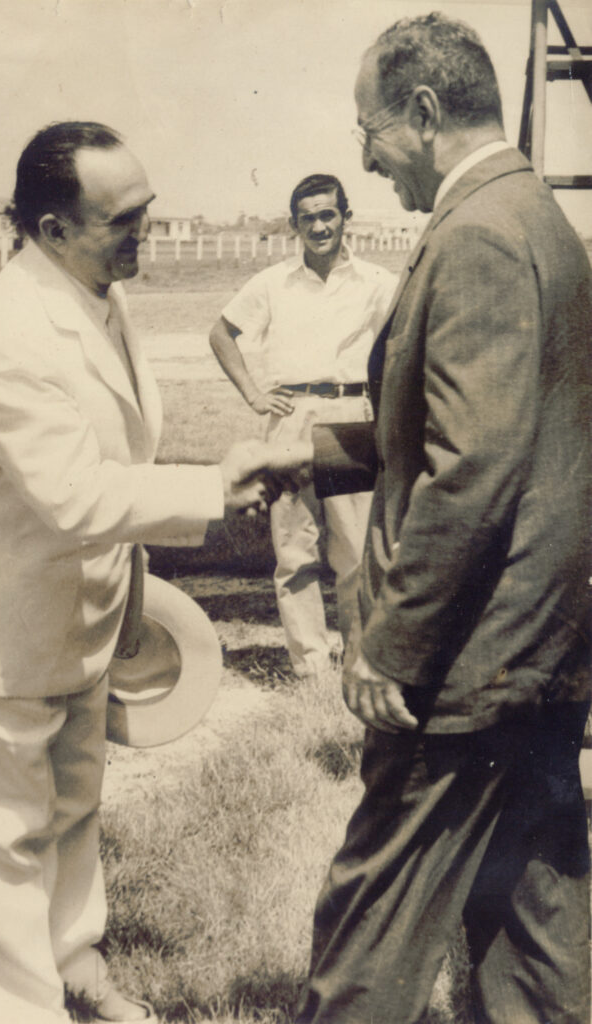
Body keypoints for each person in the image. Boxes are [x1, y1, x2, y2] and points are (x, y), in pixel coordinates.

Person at [284, 14, 592, 1024]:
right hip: (535, 649)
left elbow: (470, 472)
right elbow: (484, 429)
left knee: (369, 928)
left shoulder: (474, 238)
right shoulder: (530, 213)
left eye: (368, 131)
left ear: (422, 112)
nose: (364, 160)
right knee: (530, 935)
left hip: (463, 667)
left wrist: (392, 646)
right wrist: (305, 451)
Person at [0, 121, 279, 1024]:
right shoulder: (13, 333)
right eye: (123, 220)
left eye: (148, 210)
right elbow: (73, 495)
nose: (147, 233)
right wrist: (214, 488)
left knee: (71, 805)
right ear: (52, 229)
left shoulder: (97, 290)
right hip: (1, 625)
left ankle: (74, 968)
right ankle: (19, 1009)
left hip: (80, 613)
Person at [209, 174, 396, 679]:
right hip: (290, 421)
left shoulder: (377, 282)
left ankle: (359, 661)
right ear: (295, 224)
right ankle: (310, 666)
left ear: (345, 217)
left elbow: (401, 343)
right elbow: (221, 333)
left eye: (327, 215)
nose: (318, 227)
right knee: (295, 551)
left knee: (355, 552)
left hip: (350, 417)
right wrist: (254, 394)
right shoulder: (273, 282)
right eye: (307, 218)